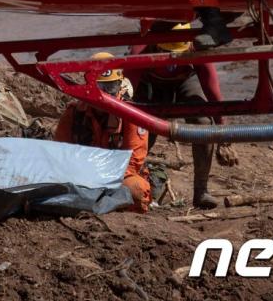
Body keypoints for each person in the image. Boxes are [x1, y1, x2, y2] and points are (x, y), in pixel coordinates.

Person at [126, 22, 236, 210]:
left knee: (202, 124)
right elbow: (127, 92)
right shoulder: (140, 50)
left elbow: (212, 91)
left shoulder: (197, 47)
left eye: (180, 53)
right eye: (168, 52)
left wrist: (222, 134)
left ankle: (201, 191)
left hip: (185, 80)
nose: (173, 58)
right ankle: (132, 183)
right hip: (150, 83)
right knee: (143, 129)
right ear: (156, 45)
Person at [54, 52, 151, 212]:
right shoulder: (75, 112)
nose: (103, 94)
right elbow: (60, 152)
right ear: (88, 84)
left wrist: (102, 179)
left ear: (120, 85)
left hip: (118, 175)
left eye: (110, 88)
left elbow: (134, 161)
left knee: (137, 190)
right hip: (81, 173)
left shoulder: (131, 114)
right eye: (98, 87)